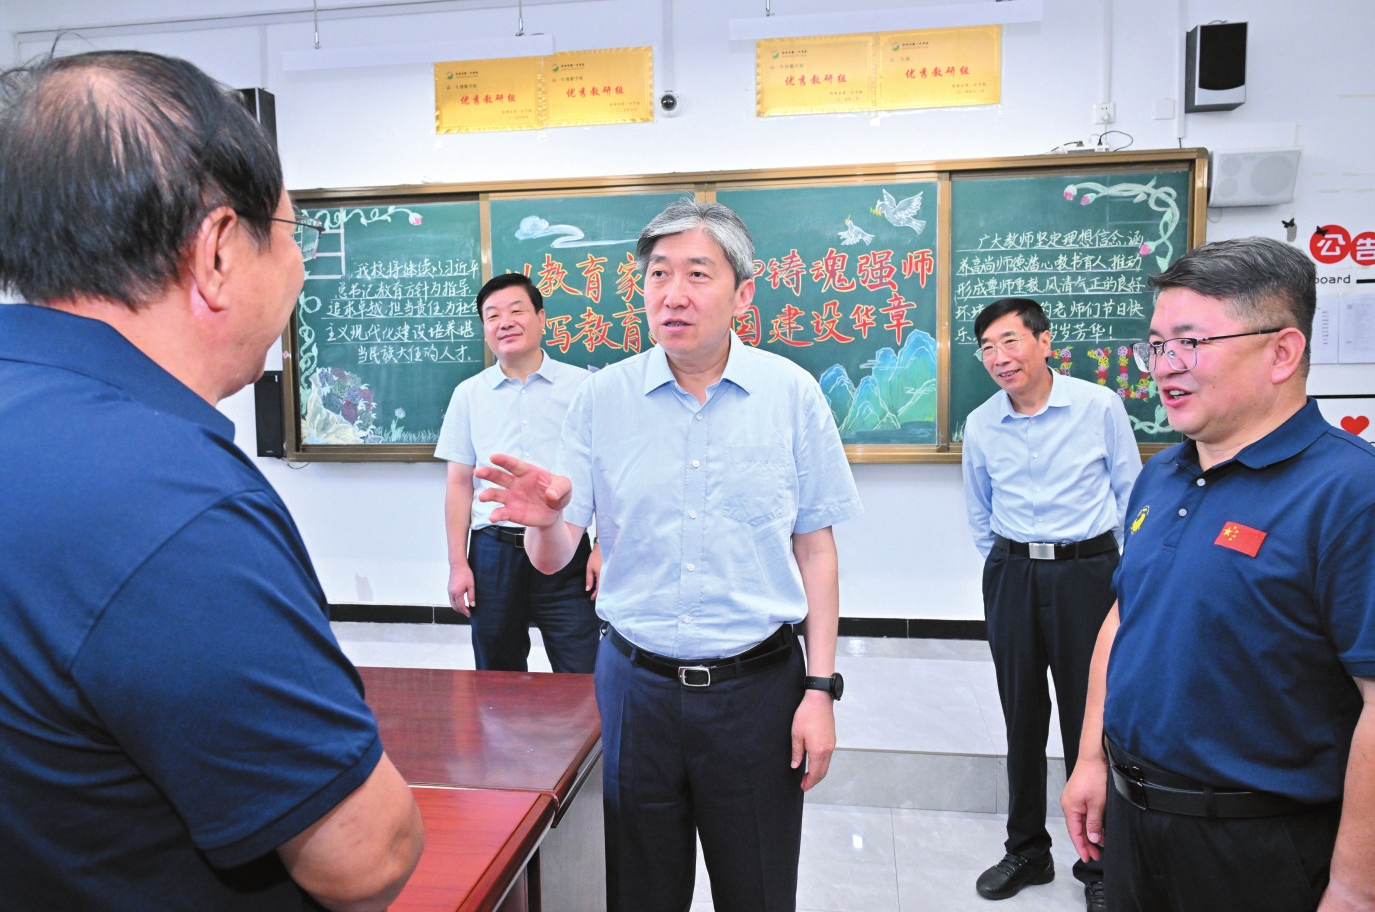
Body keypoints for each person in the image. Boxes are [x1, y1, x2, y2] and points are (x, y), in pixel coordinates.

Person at [0, 51, 423, 911]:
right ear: (220, 251)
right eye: (294, 233)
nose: (299, 267)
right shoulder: (172, 502)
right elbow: (363, 857)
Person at [472, 199, 862, 912]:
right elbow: (555, 560)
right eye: (657, 274)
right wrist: (544, 522)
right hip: (635, 689)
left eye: (697, 273)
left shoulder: (791, 394)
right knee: (638, 891)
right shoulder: (602, 399)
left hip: (758, 691)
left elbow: (815, 548)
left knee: (758, 890)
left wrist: (819, 691)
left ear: (743, 293)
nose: (673, 293)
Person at [1061, 237, 1375, 912]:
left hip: (1259, 845)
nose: (1164, 367)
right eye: (1155, 346)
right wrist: (1090, 758)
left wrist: (1355, 885)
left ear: (1281, 352)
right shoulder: (1160, 474)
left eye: (1190, 343)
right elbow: (1125, 618)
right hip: (1135, 823)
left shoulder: (1350, 491)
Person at [961, 297, 1140, 912]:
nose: (998, 357)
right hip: (1013, 573)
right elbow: (979, 510)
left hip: (1088, 573)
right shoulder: (981, 422)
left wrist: (1120, 576)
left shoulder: (1099, 406)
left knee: (1088, 718)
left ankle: (1099, 863)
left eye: (1010, 341)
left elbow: (1131, 495)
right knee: (1021, 716)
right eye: (987, 348)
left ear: (1043, 342)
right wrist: (1007, 565)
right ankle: (1027, 850)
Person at [436, 273, 601, 672]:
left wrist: (603, 548)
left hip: (566, 547)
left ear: (541, 318)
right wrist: (458, 564)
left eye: (516, 311)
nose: (504, 322)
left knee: (582, 670)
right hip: (492, 554)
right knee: (497, 676)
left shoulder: (584, 387)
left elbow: (608, 475)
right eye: (492, 316)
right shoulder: (468, 394)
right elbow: (459, 485)